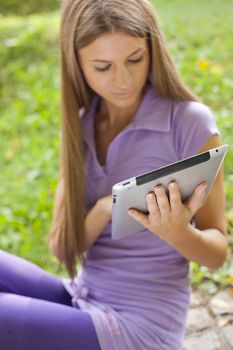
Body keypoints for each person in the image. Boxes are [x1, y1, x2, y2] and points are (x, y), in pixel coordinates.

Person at [0, 0, 228, 349]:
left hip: (137, 326)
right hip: (82, 297)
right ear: (76, 63)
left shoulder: (188, 123)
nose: (123, 80)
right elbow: (63, 249)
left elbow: (217, 254)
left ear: (152, 51)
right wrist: (107, 209)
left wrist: (177, 232)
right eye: (103, 66)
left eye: (135, 59)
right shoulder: (80, 123)